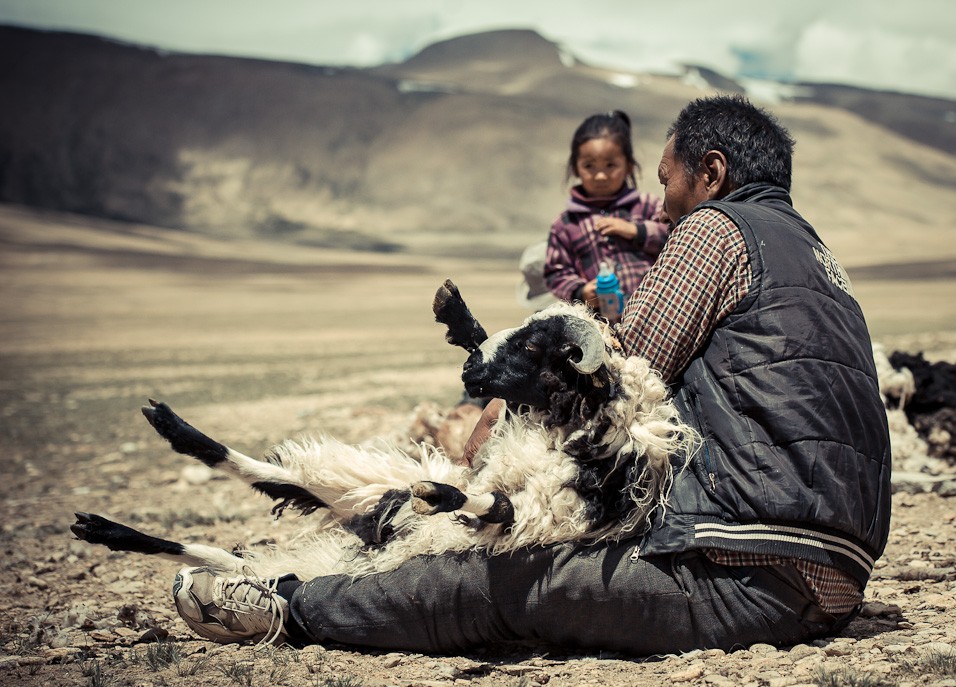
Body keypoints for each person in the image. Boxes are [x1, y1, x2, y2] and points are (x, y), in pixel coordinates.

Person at [170, 95, 891, 655]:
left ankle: (291, 607)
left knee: (502, 578)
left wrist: (519, 404)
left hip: (745, 573)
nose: (666, 207)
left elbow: (621, 376)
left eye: (670, 183)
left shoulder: (716, 229)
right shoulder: (826, 266)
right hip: (834, 579)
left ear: (713, 173)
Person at [543, 110, 670, 311]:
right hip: (603, 325)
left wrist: (636, 231)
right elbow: (555, 273)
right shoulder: (566, 224)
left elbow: (676, 237)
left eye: (611, 165)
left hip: (655, 314)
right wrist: (580, 291)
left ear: (628, 166)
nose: (600, 175)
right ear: (576, 168)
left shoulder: (648, 205)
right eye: (589, 166)